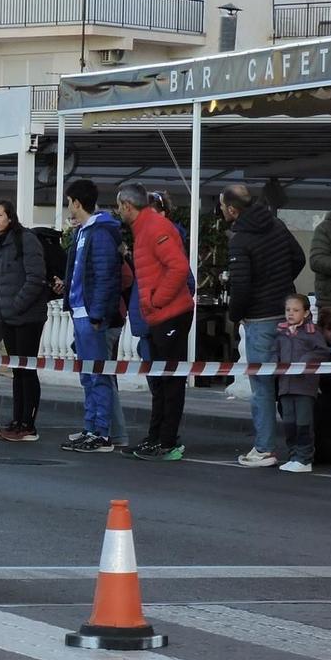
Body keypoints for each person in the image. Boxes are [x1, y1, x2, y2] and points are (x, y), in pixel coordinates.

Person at [222, 182, 307, 467]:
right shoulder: (277, 224)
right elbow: (299, 258)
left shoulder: (239, 240)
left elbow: (241, 286)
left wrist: (235, 315)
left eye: (222, 206)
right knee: (290, 382)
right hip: (286, 314)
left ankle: (265, 448)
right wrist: (280, 285)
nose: (222, 211)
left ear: (233, 209)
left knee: (262, 386)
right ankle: (300, 450)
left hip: (259, 318)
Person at [119, 182, 193, 459]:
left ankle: (168, 441)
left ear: (128, 205)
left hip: (171, 313)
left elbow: (178, 267)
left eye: (119, 206)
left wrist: (155, 300)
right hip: (159, 314)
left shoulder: (156, 228)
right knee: (160, 380)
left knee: (171, 381)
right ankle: (155, 437)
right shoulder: (144, 228)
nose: (119, 211)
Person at [60, 179, 124, 453]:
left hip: (90, 314)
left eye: (69, 202)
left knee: (98, 374)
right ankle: (91, 427)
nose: (68, 208)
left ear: (76, 202)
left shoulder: (99, 233)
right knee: (88, 374)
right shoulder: (83, 232)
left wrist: (97, 313)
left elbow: (105, 275)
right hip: (79, 310)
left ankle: (102, 432)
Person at [0, 199, 47, 443]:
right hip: (7, 317)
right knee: (16, 371)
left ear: (10, 217)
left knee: (26, 371)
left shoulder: (26, 239)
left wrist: (16, 305)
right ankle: (17, 420)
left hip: (27, 317)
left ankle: (28, 424)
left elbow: (35, 277)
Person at [274, 295, 330, 473]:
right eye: (288, 310)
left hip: (305, 386)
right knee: (289, 422)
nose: (290, 314)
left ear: (306, 313)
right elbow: (274, 352)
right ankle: (293, 455)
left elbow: (322, 352)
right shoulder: (281, 332)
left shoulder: (312, 333)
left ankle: (304, 458)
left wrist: (305, 361)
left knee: (303, 423)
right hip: (285, 385)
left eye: (296, 310)